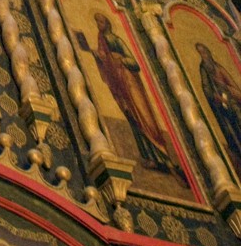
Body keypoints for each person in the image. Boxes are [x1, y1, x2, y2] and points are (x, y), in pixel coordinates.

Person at [90, 14, 184, 178]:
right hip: (119, 85)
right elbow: (106, 62)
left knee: (144, 117)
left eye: (101, 21)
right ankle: (150, 157)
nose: (99, 24)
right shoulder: (101, 40)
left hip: (131, 83)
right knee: (132, 118)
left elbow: (134, 62)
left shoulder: (116, 40)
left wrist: (120, 59)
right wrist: (101, 57)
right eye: (97, 21)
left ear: (108, 23)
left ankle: (163, 155)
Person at [196, 41, 241, 167]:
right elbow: (206, 87)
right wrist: (215, 97)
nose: (203, 56)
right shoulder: (203, 69)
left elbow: (233, 86)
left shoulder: (218, 68)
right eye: (200, 53)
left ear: (208, 53)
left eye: (204, 52)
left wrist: (229, 94)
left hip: (231, 102)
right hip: (219, 105)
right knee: (229, 129)